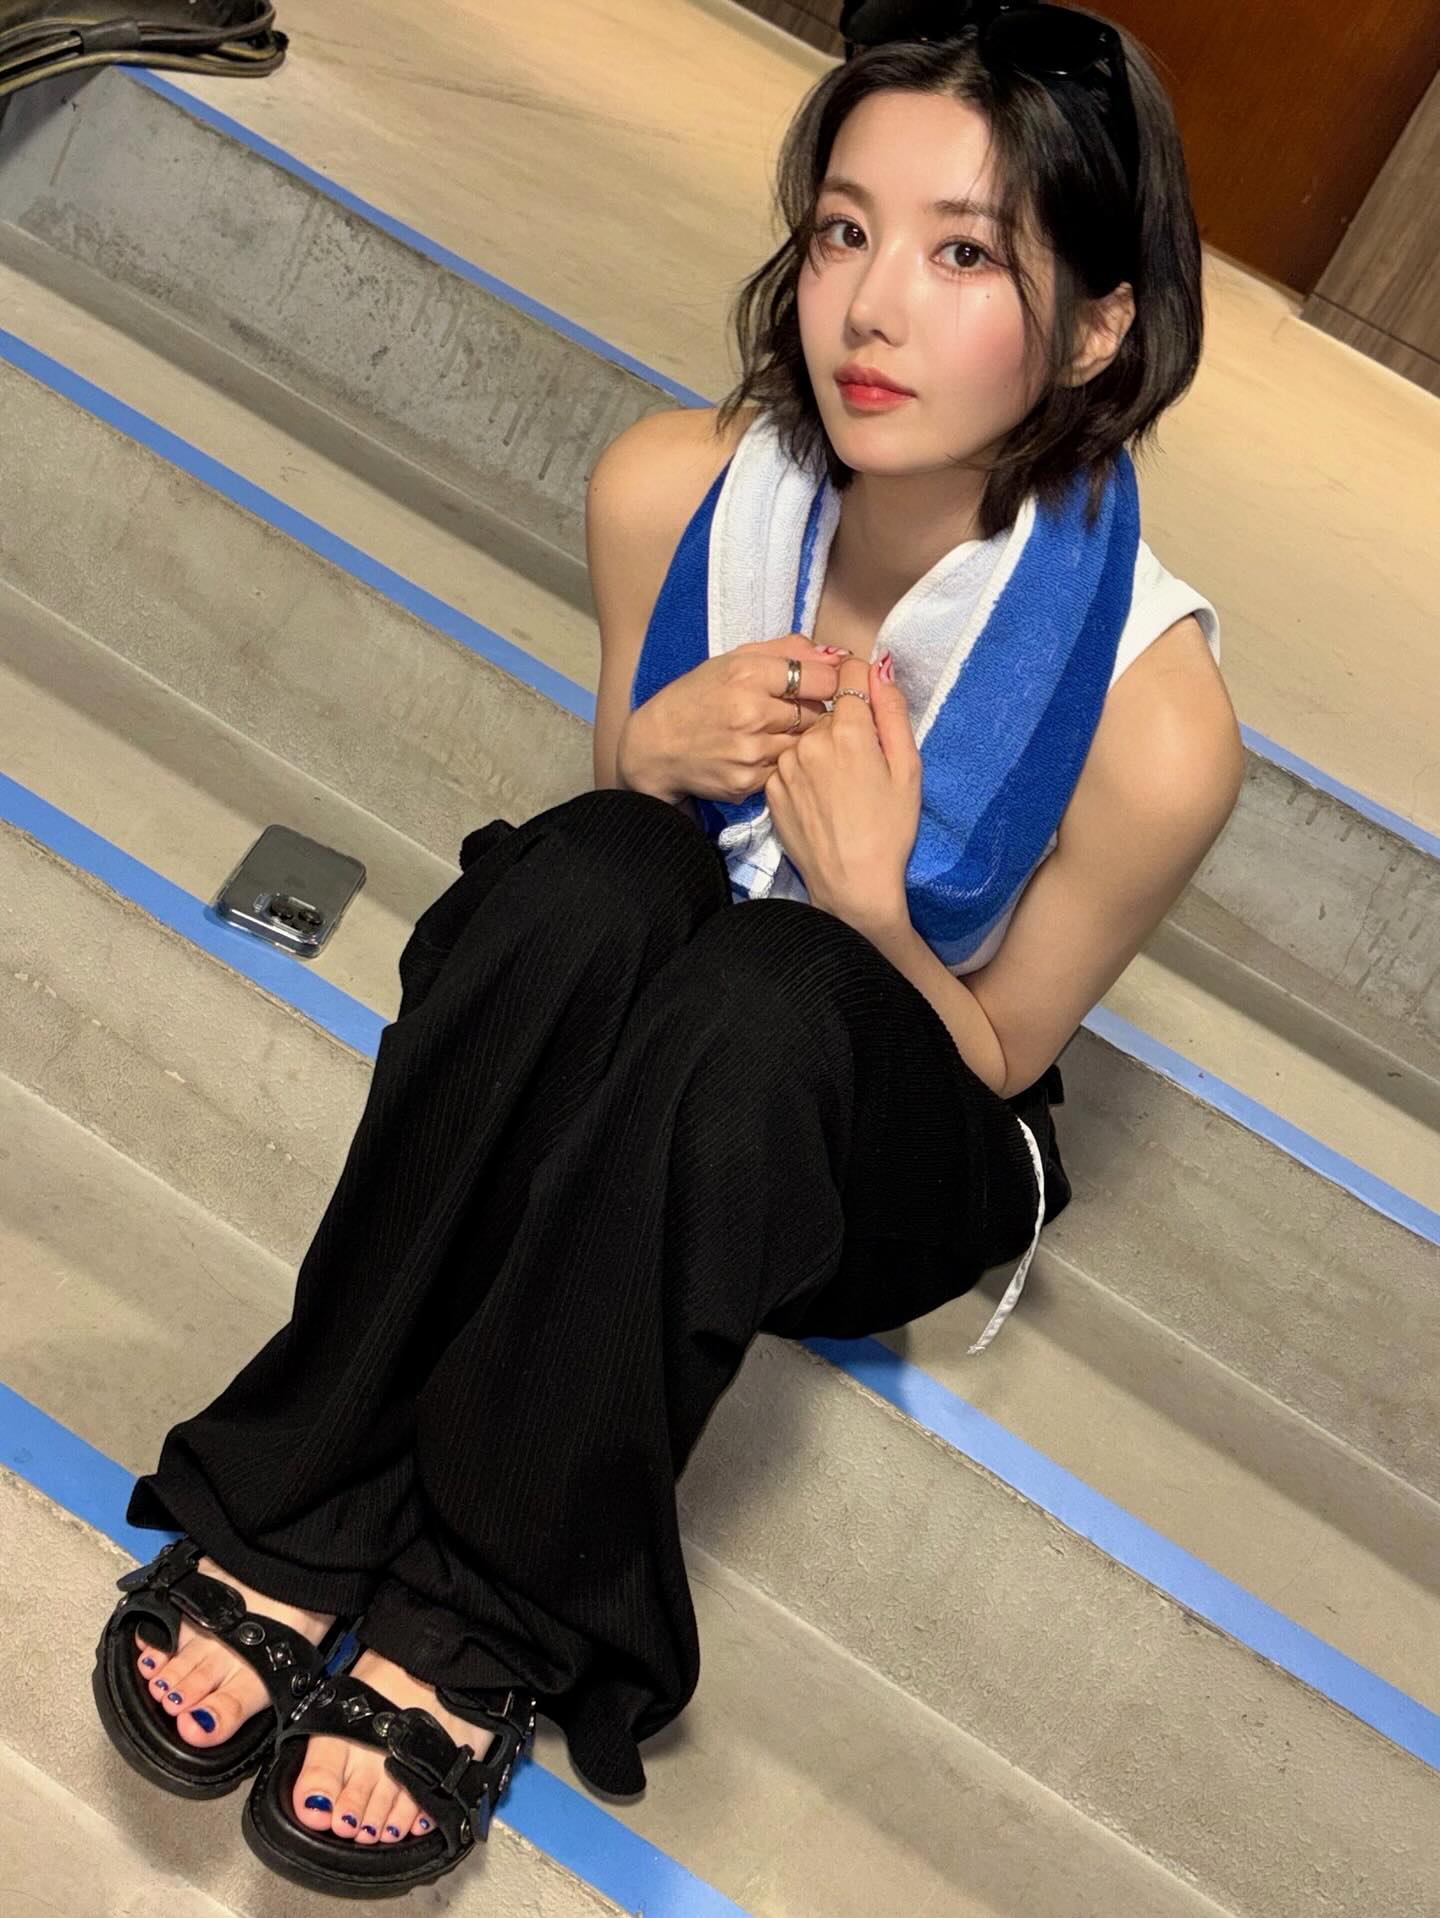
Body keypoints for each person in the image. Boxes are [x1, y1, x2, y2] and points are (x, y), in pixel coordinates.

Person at [90, 2, 1244, 1898]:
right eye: (845, 229)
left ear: (1104, 326)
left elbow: (1003, 1054)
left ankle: (491, 1607)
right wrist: (646, 754)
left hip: (882, 1110)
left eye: (966, 255)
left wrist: (871, 908)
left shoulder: (1157, 720)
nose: (871, 308)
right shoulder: (667, 488)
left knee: (772, 988)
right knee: (600, 868)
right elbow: (612, 929)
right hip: (679, 1040)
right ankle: (301, 1481)